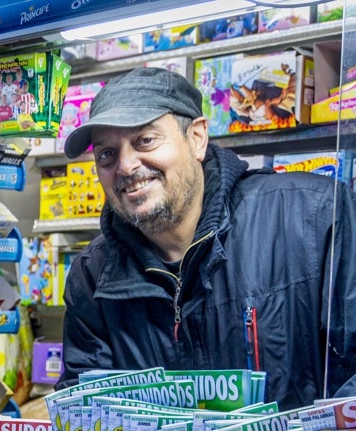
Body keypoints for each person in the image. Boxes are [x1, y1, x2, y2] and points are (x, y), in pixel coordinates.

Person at [57, 66, 356, 410]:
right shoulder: (92, 276)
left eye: (145, 140)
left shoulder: (315, 215)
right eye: (106, 154)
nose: (125, 166)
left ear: (197, 138)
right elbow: (85, 414)